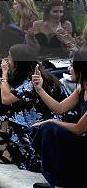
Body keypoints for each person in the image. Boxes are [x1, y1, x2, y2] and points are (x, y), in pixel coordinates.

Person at [31, 49, 87, 188]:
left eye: (73, 66)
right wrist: (39, 89)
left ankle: (62, 183)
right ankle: (59, 181)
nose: (69, 69)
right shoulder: (81, 89)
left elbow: (78, 129)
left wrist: (52, 121)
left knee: (49, 128)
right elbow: (59, 108)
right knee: (43, 129)